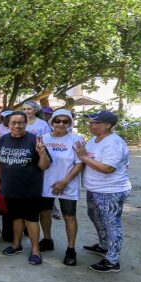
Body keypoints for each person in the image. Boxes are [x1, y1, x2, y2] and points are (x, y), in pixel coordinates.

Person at [74, 110, 132, 273]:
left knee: (112, 224)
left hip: (111, 191)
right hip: (95, 189)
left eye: (95, 122)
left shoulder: (113, 143)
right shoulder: (94, 139)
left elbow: (108, 168)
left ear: (107, 125)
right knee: (95, 216)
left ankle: (113, 261)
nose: (90, 125)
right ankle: (104, 245)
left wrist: (84, 157)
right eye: (90, 122)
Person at [0, 111, 51, 265]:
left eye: (21, 122)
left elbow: (44, 165)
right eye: (13, 122)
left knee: (31, 219)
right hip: (10, 187)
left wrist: (41, 153)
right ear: (8, 124)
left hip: (30, 188)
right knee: (16, 217)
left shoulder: (34, 140)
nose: (17, 126)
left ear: (26, 124)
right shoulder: (3, 139)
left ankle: (35, 250)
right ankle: (16, 245)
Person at [38, 109, 84, 266]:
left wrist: (64, 181)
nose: (61, 124)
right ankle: (47, 239)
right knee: (44, 213)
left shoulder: (76, 139)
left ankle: (71, 250)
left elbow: (80, 164)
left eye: (65, 121)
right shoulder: (43, 138)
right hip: (46, 183)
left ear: (70, 123)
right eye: (58, 121)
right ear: (52, 122)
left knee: (69, 216)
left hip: (68, 185)